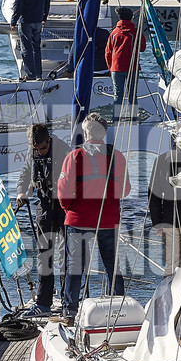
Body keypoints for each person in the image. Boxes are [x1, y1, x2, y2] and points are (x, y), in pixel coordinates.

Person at [57, 114, 131, 321]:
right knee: (112, 266)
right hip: (108, 219)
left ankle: (70, 312)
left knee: (75, 267)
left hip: (78, 219)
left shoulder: (74, 157)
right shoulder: (117, 156)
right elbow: (125, 190)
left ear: (85, 132)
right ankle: (119, 310)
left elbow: (63, 193)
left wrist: (70, 210)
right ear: (105, 132)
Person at [16, 123, 63, 311]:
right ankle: (44, 302)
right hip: (43, 206)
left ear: (48, 140)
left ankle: (69, 300)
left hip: (63, 206)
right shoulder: (32, 152)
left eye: (43, 148)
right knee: (44, 254)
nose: (40, 152)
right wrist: (21, 192)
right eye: (36, 149)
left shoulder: (63, 151)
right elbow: (25, 173)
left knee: (66, 253)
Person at [6, 0, 51, 80]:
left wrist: (13, 21)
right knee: (37, 48)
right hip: (38, 19)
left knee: (26, 49)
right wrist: (44, 16)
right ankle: (38, 74)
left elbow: (18, 2)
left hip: (26, 20)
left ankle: (30, 75)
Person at [104, 9, 139, 114]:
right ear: (131, 18)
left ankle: (116, 119)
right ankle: (134, 118)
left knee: (117, 95)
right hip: (131, 68)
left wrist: (110, 68)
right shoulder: (135, 31)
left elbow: (107, 52)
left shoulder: (114, 33)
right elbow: (142, 47)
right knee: (132, 95)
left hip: (116, 68)